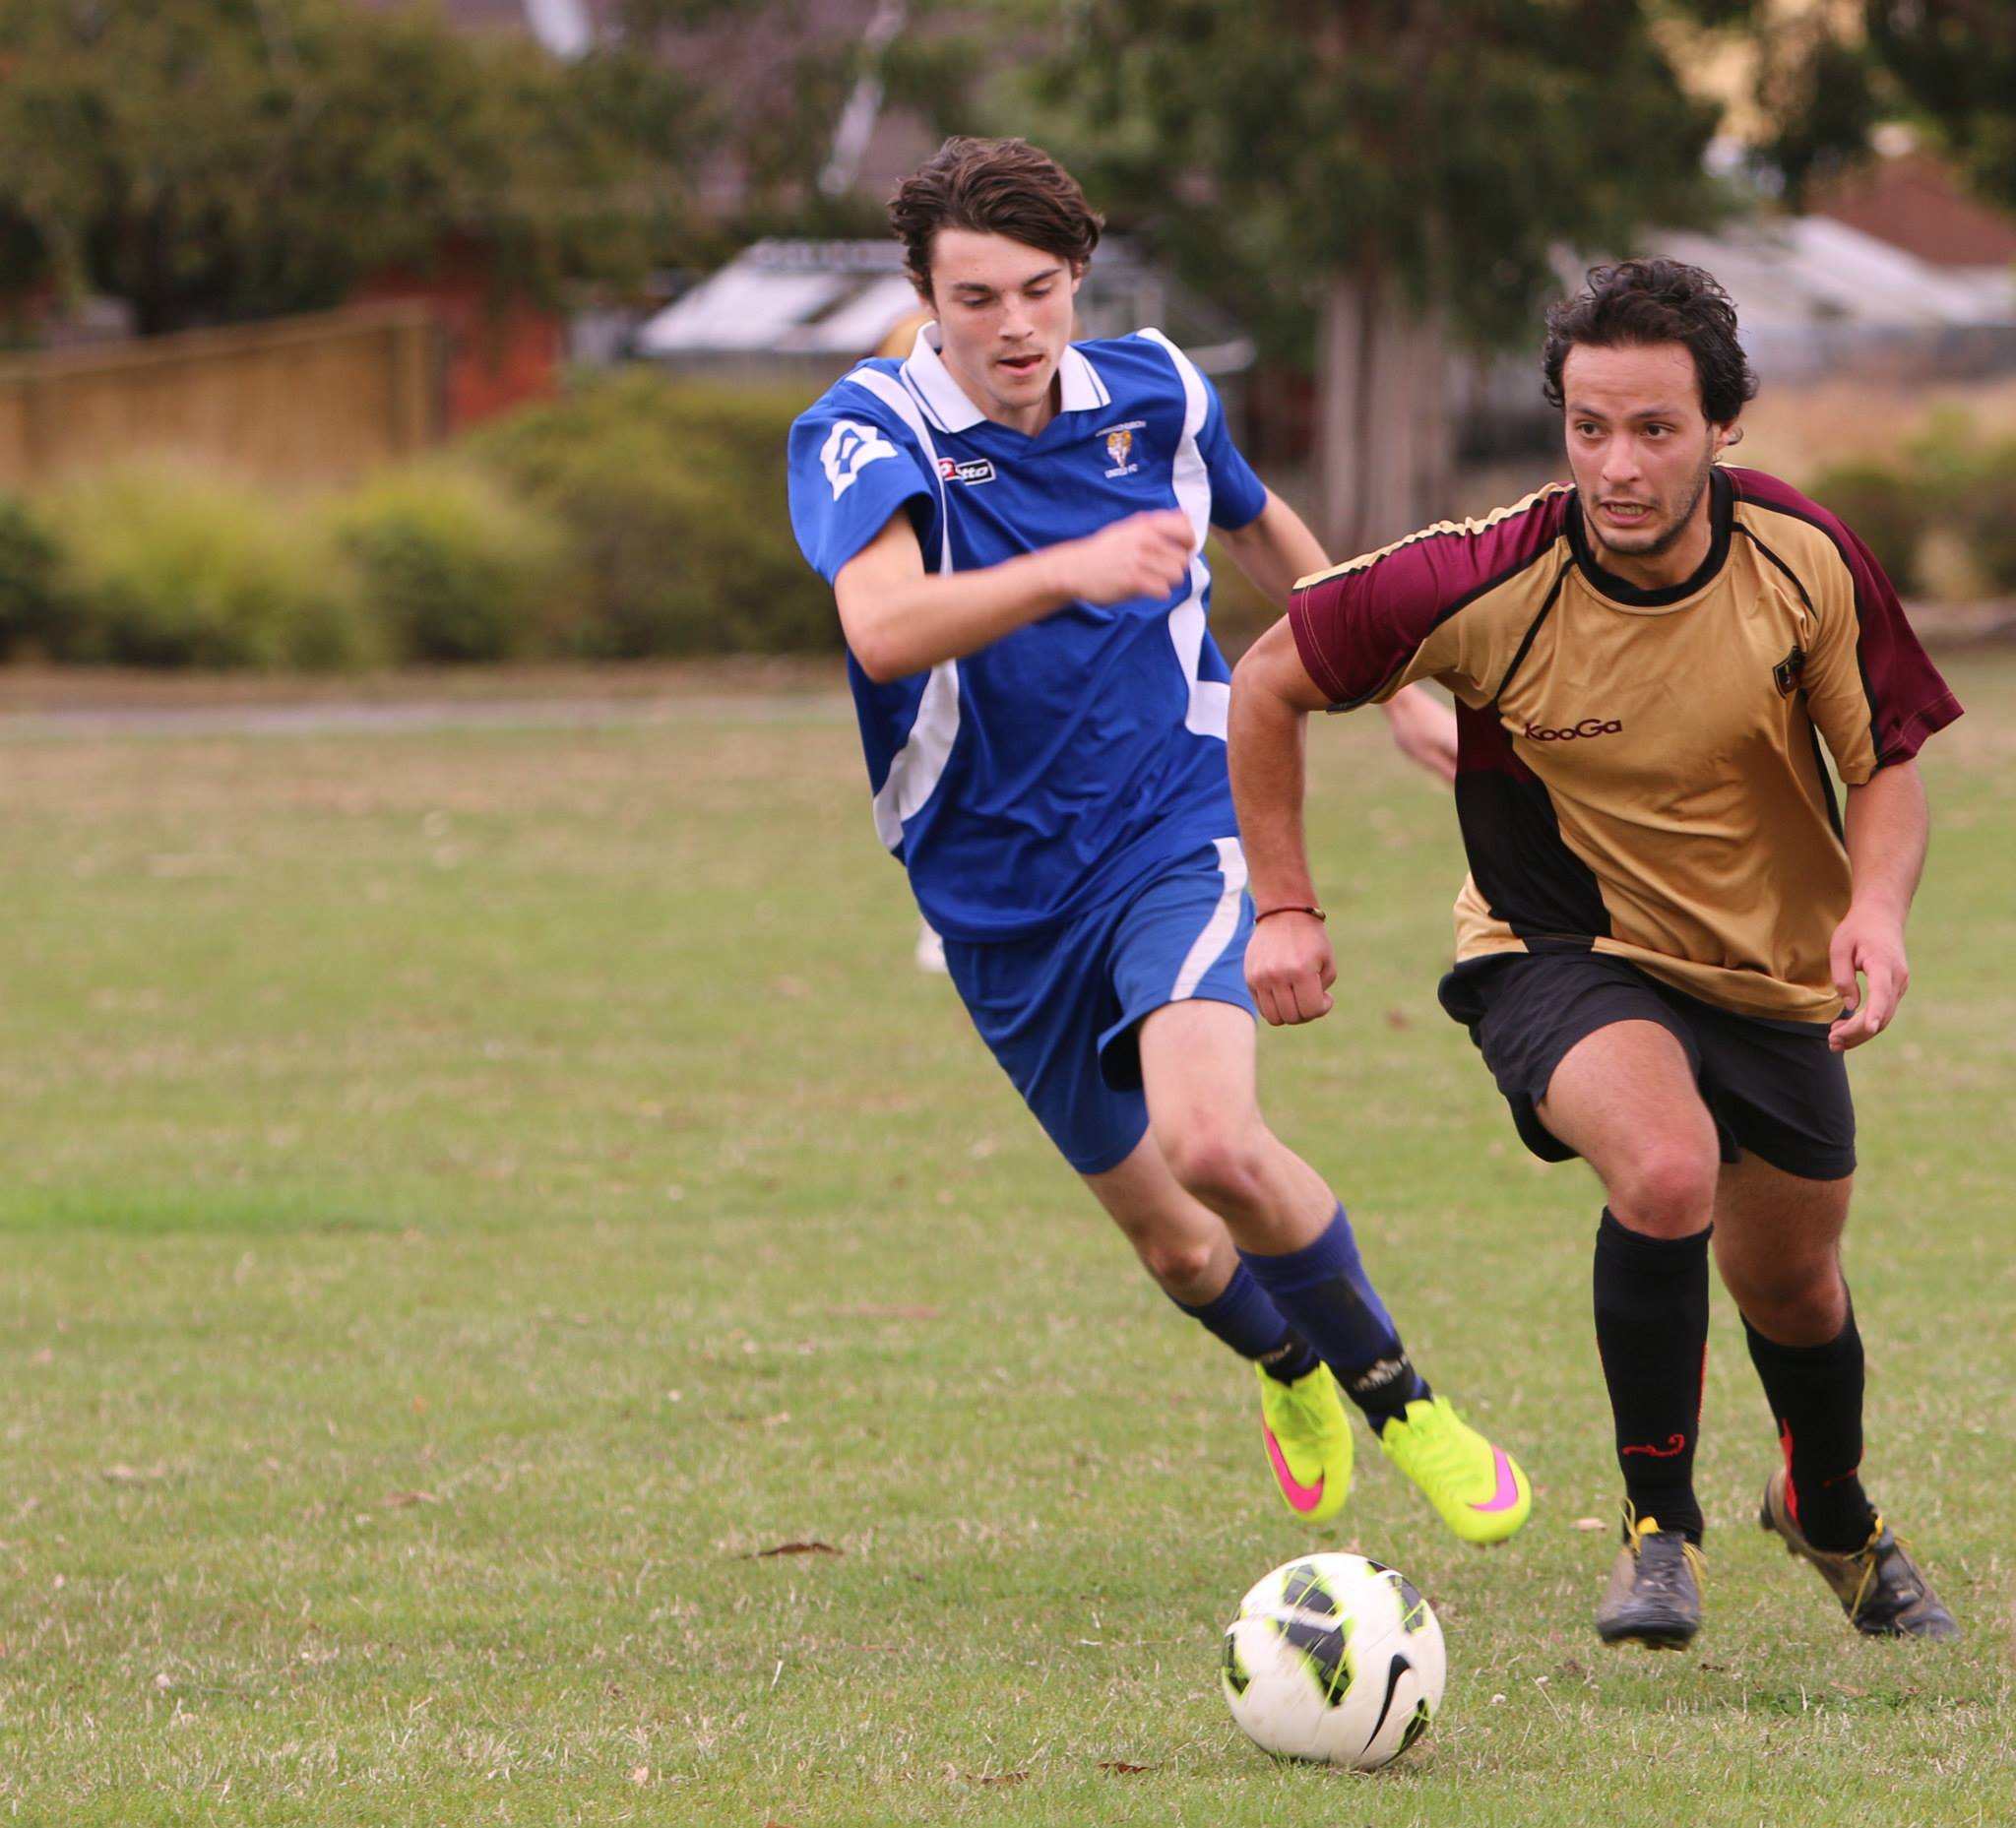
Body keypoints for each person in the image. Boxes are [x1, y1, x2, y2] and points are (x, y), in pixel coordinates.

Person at [785, 136, 1531, 1545]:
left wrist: (1391, 684)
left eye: (1039, 289)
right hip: (993, 890)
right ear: (923, 294)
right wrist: (1065, 565)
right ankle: (1292, 1367)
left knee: (1212, 1139)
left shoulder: (1158, 390)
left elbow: (1263, 536)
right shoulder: (863, 430)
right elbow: (880, 626)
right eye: (975, 297)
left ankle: (1403, 1398)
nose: (1013, 326)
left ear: (1080, 275)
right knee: (1177, 1239)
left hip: (1174, 820)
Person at [1228, 257, 1962, 1646]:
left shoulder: (1804, 559)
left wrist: (1875, 911)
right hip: (1555, 944)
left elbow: (1886, 767)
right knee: (1667, 1164)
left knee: (1797, 1286)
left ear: (1724, 428)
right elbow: (1270, 679)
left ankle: (1830, 1505)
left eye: (1655, 430)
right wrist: (1285, 906)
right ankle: (1655, 1529)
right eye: (1587, 427)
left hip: (1768, 971)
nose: (1616, 466)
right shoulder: (1480, 578)